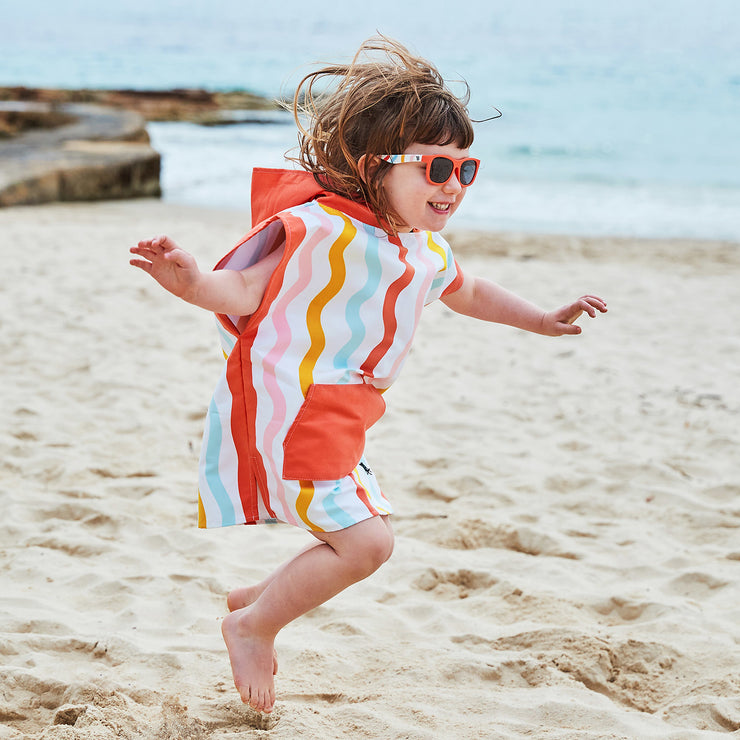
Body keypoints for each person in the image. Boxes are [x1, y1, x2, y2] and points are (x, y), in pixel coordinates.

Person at [129, 36, 606, 714]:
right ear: (371, 165)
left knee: (354, 533)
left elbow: (468, 291)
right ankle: (253, 624)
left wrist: (540, 320)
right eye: (437, 166)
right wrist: (194, 282)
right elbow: (241, 291)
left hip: (346, 413)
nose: (453, 185)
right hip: (293, 408)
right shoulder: (316, 229)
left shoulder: (421, 245)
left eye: (467, 170)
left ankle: (260, 599)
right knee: (368, 542)